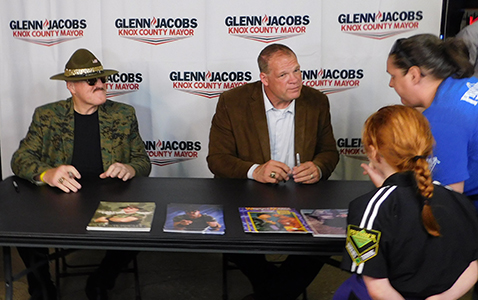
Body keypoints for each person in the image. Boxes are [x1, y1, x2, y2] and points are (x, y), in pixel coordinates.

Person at [11, 48, 151, 300]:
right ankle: (42, 288)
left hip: (111, 200)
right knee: (24, 228)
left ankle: (100, 281)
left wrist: (130, 168)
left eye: (103, 79)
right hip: (60, 199)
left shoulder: (123, 115)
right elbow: (20, 159)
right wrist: (47, 174)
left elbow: (143, 161)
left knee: (143, 228)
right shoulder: (48, 115)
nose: (101, 85)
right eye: (91, 81)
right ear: (71, 87)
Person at [207, 43, 339, 300]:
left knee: (326, 240)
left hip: (302, 195)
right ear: (264, 79)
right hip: (247, 195)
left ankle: (269, 295)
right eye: (284, 75)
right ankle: (278, 293)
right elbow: (217, 160)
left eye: (297, 71)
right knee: (232, 237)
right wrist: (255, 170)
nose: (295, 80)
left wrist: (319, 168)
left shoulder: (316, 101)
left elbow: (329, 152)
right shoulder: (232, 102)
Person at [334, 105, 478, 300]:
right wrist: (445, 297)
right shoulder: (458, 201)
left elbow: (376, 287)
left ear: (373, 151)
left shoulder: (369, 208)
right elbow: (473, 265)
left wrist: (384, 192)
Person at [386, 33, 478, 201]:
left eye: (393, 76)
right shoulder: (465, 84)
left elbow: (448, 203)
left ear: (414, 75)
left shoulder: (443, 118)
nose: (391, 84)